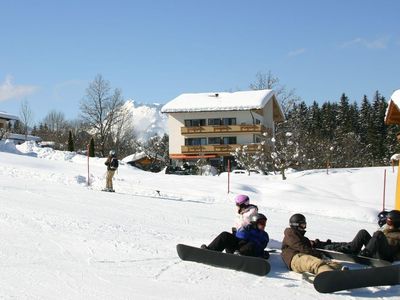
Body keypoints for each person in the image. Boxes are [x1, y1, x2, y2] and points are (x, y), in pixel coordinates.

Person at [332, 210, 400, 262]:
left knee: (378, 234)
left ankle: (365, 254)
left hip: (386, 256)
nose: (387, 223)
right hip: (376, 251)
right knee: (363, 232)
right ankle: (352, 249)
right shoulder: (386, 229)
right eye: (387, 221)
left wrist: (394, 258)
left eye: (389, 222)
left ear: (396, 222)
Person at [201, 213, 270, 259]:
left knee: (252, 244)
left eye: (264, 223)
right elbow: (239, 236)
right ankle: (210, 251)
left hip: (246, 253)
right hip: (235, 249)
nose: (264, 225)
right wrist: (243, 231)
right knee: (225, 235)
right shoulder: (246, 228)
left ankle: (239, 256)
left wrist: (263, 254)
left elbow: (261, 246)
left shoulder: (264, 235)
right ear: (255, 222)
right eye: (262, 223)